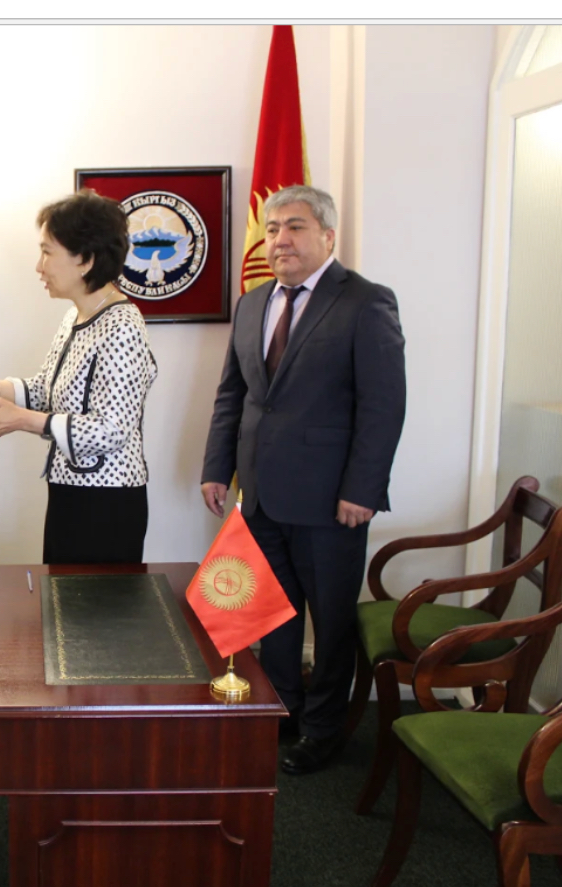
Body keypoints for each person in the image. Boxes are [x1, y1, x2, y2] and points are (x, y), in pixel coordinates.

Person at [200, 184, 406, 775]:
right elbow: (233, 395)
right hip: (260, 493)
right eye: (271, 229)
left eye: (294, 227)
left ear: (327, 236)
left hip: (330, 499)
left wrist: (362, 490)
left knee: (331, 620)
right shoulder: (252, 303)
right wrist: (217, 468)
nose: (279, 240)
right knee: (272, 613)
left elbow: (383, 406)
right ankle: (282, 709)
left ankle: (324, 729)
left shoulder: (365, 301)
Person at [0, 190, 158, 564]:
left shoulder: (122, 326)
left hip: (106, 503)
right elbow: (44, 391)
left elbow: (112, 430)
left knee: (93, 604)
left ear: (85, 259)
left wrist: (22, 420)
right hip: (68, 492)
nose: (39, 267)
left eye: (47, 252)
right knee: (60, 598)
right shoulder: (75, 316)